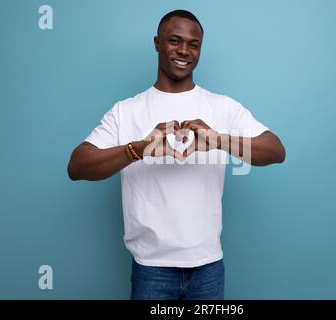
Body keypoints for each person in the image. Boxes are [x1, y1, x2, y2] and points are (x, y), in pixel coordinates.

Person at [67, 9, 286, 300]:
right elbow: (78, 165)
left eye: (193, 44)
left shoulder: (222, 108)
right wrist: (139, 149)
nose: (184, 50)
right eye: (174, 40)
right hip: (151, 269)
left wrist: (220, 140)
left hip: (208, 266)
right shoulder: (127, 110)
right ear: (157, 43)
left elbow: (275, 150)